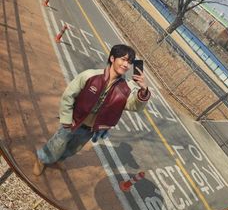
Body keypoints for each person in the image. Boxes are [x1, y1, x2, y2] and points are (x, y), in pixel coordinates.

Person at [33, 44, 151, 176]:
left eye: (129, 62)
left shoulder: (125, 89)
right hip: (74, 120)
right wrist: (66, 119)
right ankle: (42, 159)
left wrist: (144, 91)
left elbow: (133, 106)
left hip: (90, 128)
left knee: (73, 148)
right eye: (123, 59)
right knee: (57, 143)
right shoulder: (91, 75)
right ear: (112, 58)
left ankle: (60, 159)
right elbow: (69, 95)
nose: (126, 65)